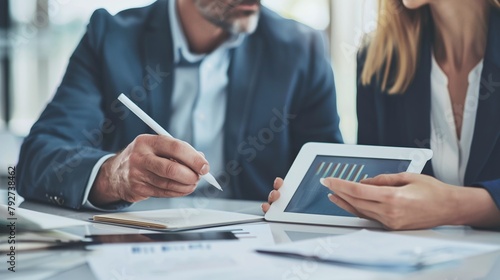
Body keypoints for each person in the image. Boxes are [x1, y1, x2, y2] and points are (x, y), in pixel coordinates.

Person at [17, 0, 342, 210]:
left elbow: (330, 175)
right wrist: (114, 175)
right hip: (130, 251)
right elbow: (38, 160)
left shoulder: (302, 51)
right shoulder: (110, 37)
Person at [263, 0, 500, 230]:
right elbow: (377, 184)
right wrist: (312, 199)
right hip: (418, 259)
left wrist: (453, 206)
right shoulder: (379, 59)